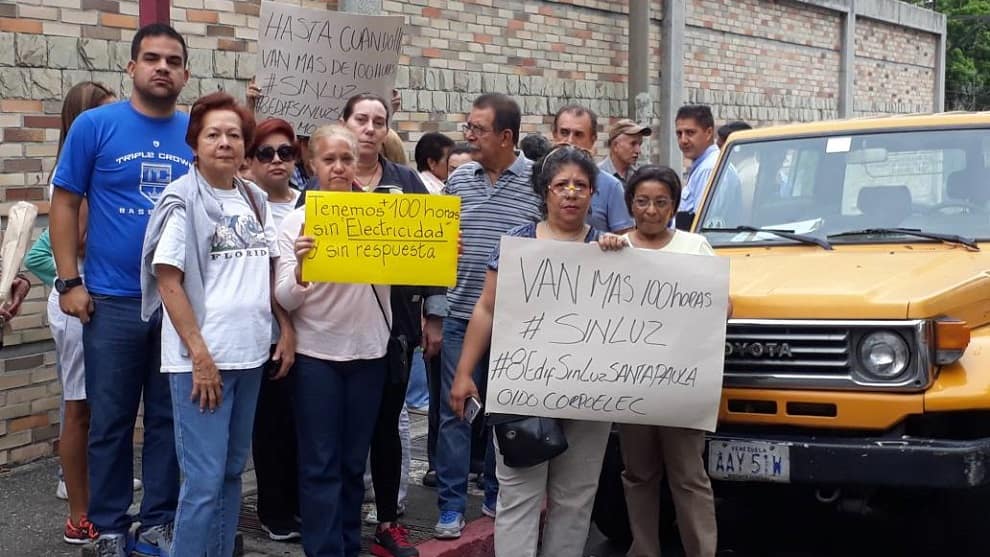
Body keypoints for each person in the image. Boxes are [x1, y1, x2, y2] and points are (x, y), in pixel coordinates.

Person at [49, 23, 191, 557]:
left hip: (178, 302)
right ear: (131, 68)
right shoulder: (95, 126)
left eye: (172, 60)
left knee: (168, 418)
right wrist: (69, 281)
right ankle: (109, 525)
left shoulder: (196, 131)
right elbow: (63, 204)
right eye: (151, 58)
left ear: (185, 73)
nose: (162, 67)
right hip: (111, 299)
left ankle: (157, 522)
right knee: (109, 420)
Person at [448, 145, 623, 556]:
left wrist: (622, 255)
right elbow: (486, 308)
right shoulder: (517, 246)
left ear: (593, 193)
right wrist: (463, 373)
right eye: (561, 185)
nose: (571, 193)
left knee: (575, 500)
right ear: (545, 192)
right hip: (524, 393)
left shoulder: (608, 249)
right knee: (519, 498)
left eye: (581, 185)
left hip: (588, 396)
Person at [140, 91, 290, 556]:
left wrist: (284, 329)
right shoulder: (182, 199)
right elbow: (169, 283)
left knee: (230, 474)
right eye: (213, 134)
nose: (224, 142)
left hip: (249, 357)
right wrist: (200, 356)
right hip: (202, 363)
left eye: (233, 134)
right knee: (203, 482)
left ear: (245, 145)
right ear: (195, 144)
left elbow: (264, 271)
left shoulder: (252, 197)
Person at [337, 92, 445, 557]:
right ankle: (339, 522)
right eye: (361, 118)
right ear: (345, 122)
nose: (369, 127)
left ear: (386, 129)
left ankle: (387, 521)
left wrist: (433, 316)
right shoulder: (327, 180)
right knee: (339, 430)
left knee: (386, 427)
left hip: (394, 329)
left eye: (378, 120)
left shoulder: (405, 181)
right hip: (336, 329)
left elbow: (434, 257)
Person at [275, 123, 389, 557]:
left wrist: (438, 252)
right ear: (312, 164)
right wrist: (303, 269)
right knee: (320, 463)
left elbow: (415, 266)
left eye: (347, 159)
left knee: (351, 463)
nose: (339, 167)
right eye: (329, 160)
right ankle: (324, 550)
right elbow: (284, 297)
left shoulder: (383, 213)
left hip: (369, 352)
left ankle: (348, 544)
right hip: (315, 356)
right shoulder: (294, 223)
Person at [435, 93, 543, 538]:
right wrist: (434, 311)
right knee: (454, 412)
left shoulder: (539, 182)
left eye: (477, 129)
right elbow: (436, 253)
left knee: (506, 412)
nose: (469, 136)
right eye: (468, 127)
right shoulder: (459, 180)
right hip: (461, 314)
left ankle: (499, 495)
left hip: (517, 324)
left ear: (506, 136)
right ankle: (449, 507)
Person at [23, 80, 115, 546]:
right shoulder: (79, 171)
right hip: (80, 304)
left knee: (102, 409)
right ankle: (79, 514)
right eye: (106, 113)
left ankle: (98, 501)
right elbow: (60, 245)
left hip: (104, 301)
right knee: (78, 408)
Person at [617, 165, 720, 557]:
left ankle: (701, 551)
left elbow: (719, 306)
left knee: (689, 475)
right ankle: (644, 550)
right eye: (642, 201)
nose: (651, 210)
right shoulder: (615, 248)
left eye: (661, 202)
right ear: (631, 204)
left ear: (674, 205)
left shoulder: (695, 248)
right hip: (631, 384)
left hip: (682, 384)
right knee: (638, 474)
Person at [245, 117, 303, 542]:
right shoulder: (246, 205)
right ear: (251, 161)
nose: (277, 160)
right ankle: (274, 509)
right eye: (266, 153)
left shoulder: (310, 203)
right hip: (268, 335)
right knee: (272, 427)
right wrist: (284, 330)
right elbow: (261, 277)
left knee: (305, 427)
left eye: (286, 151)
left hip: (317, 332)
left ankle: (302, 505)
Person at [422, 139, 480, 490]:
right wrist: (434, 315)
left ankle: (484, 476)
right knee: (449, 406)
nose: (459, 178)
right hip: (452, 316)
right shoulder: (442, 204)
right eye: (453, 171)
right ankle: (448, 490)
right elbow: (431, 267)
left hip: (493, 318)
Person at [551, 104, 634, 233]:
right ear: (554, 135)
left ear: (593, 140)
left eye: (578, 134)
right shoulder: (536, 179)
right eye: (564, 132)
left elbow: (625, 240)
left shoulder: (611, 187)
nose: (570, 141)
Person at [599, 118, 652, 184]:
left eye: (640, 144)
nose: (638, 151)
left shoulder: (639, 177)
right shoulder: (595, 175)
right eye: (633, 144)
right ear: (615, 146)